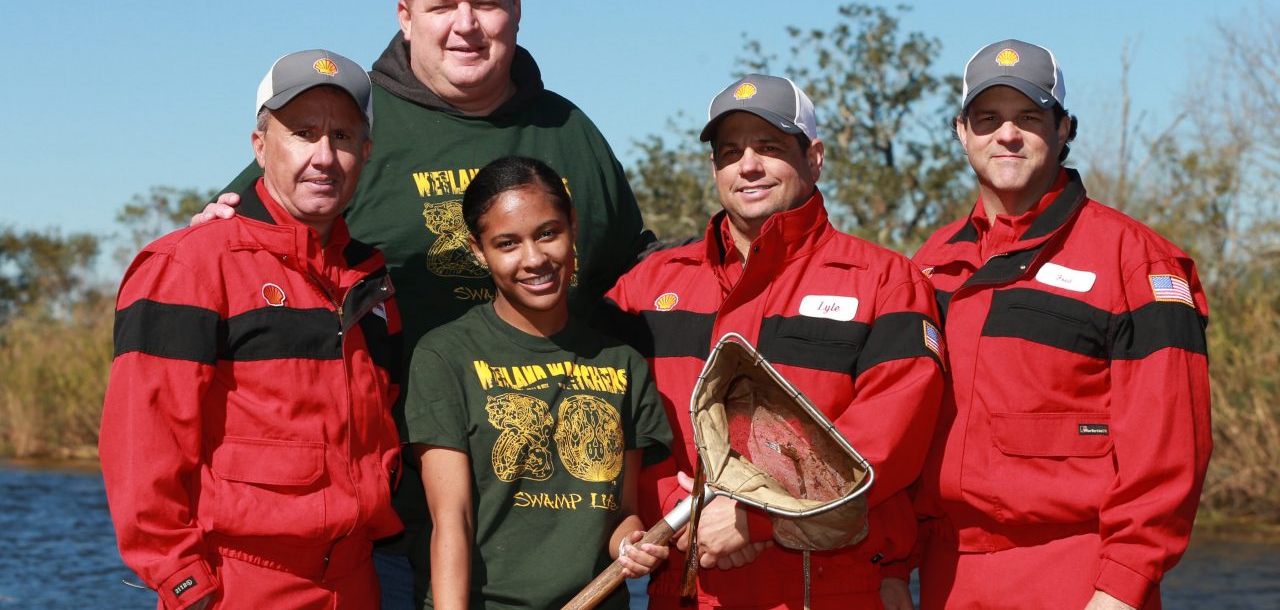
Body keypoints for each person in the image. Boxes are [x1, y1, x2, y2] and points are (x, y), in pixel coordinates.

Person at [196, 0, 653, 606]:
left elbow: (633, 286)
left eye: (485, 4)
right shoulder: (350, 129)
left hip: (553, 527)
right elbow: (239, 255)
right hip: (378, 520)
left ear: (517, 10)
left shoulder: (572, 133)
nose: (465, 25)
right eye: (442, 8)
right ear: (405, 16)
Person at [602, 74, 945, 609]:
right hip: (686, 582)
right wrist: (680, 507)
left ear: (815, 157)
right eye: (730, 152)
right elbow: (614, 420)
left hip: (829, 585)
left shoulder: (884, 282)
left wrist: (756, 517)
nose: (749, 166)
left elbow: (888, 444)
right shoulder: (645, 289)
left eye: (769, 147)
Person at [910, 39, 1212, 610]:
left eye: (1029, 117)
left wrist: (1121, 586)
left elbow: (1172, 448)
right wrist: (895, 566)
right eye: (988, 119)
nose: (1007, 135)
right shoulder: (932, 262)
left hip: (1078, 575)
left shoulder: (1136, 261)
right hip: (947, 576)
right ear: (961, 131)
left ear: (1064, 128)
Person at [100, 50, 403, 610]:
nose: (324, 156)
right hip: (239, 585)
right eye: (303, 132)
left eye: (341, 136)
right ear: (260, 145)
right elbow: (142, 448)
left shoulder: (372, 280)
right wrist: (185, 584)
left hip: (359, 582)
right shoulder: (189, 266)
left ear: (365, 152)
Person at [401, 156, 672, 609]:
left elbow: (621, 514)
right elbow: (452, 519)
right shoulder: (443, 355)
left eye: (548, 233)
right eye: (507, 243)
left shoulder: (622, 363)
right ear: (478, 250)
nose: (534, 259)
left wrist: (633, 545)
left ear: (573, 227)